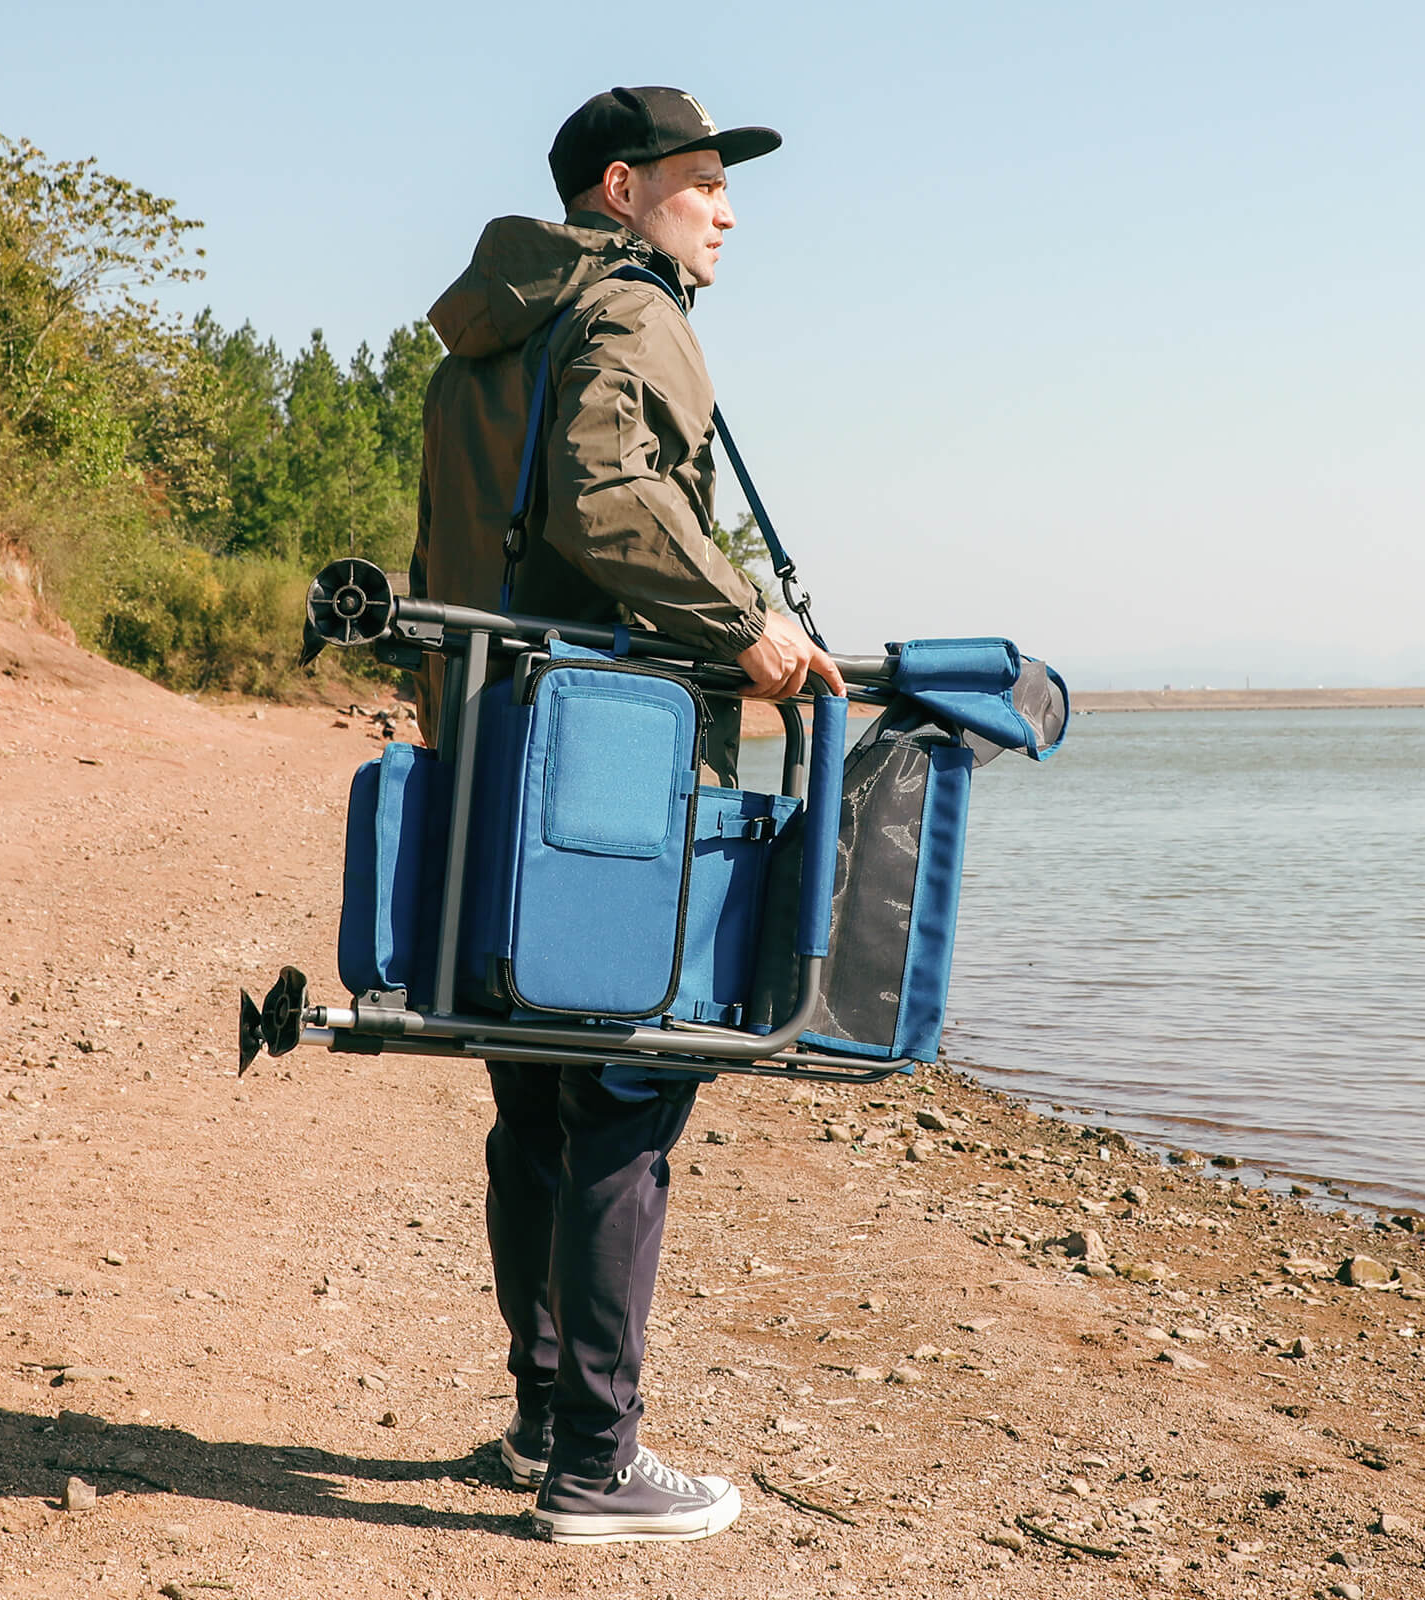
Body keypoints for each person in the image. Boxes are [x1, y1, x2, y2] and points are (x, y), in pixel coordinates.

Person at [411, 85, 843, 1545]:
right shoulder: (628, 308)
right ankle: (597, 1462)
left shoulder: (496, 327)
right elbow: (607, 500)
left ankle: (543, 1417)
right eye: (704, 182)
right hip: (596, 759)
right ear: (621, 186)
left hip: (490, 743)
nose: (725, 210)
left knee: (535, 1090)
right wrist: (749, 631)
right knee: (626, 1095)